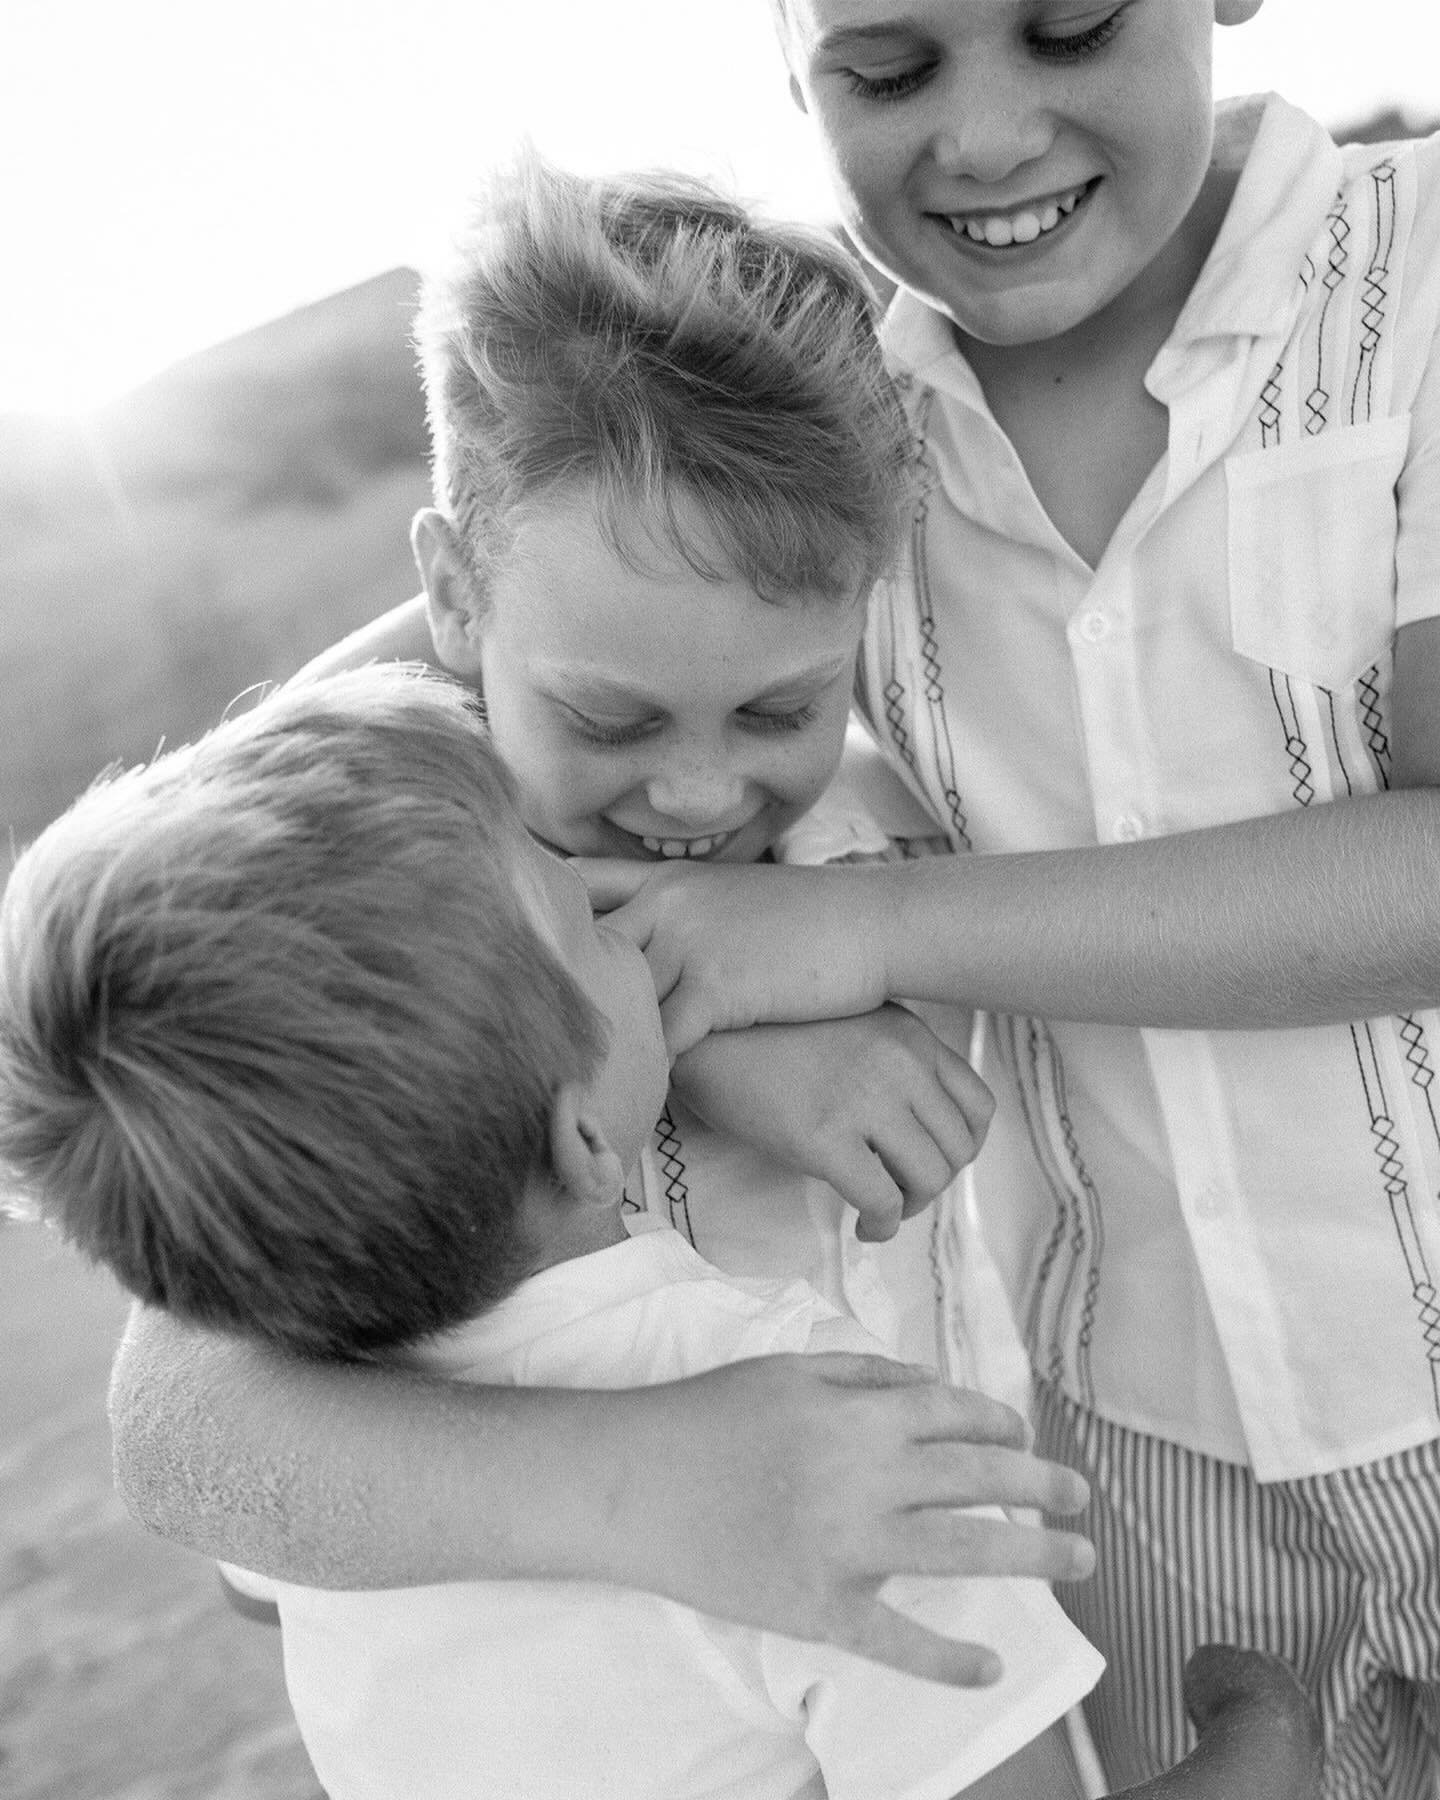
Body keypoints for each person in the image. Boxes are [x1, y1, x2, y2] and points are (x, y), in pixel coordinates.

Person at [574, 3, 1440, 1794]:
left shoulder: (1419, 275)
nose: (983, 137)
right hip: (1129, 1455)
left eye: (1066, 30)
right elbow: (424, 724)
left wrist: (866, 934)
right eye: (887, 72)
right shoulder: (810, 424)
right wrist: (715, 1036)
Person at [98, 152, 1094, 1691]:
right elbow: (199, 1465)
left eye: (781, 705)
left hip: (891, 1676)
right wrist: (676, 1036)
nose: (699, 795)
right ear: (454, 597)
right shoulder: (388, 934)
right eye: (608, 718)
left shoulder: (895, 833)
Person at [0, 665, 1103, 1799]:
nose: (638, 927)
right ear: (580, 1136)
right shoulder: (819, 1435)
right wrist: (1250, 1742)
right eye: (587, 920)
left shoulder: (318, 1466)